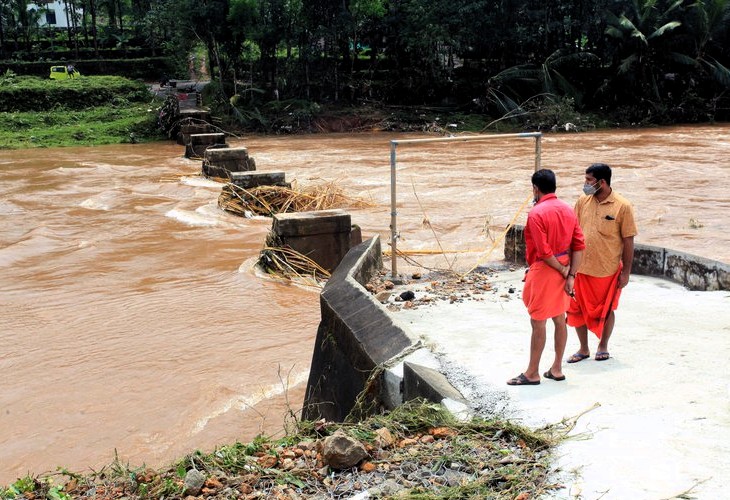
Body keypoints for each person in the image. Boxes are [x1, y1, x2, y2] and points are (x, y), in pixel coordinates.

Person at [507, 169, 585, 386]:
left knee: (538, 321)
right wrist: (571, 275)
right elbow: (579, 246)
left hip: (545, 270)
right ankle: (557, 368)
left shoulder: (536, 213)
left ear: (535, 188)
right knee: (560, 318)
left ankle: (532, 373)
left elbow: (543, 252)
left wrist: (562, 271)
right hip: (566, 268)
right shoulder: (568, 209)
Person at [566, 163, 638, 362]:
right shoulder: (583, 201)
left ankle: (603, 345)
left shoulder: (623, 206)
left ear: (602, 182)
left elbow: (628, 240)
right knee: (575, 309)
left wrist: (626, 272)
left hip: (606, 269)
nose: (585, 184)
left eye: (589, 180)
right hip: (580, 268)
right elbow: (572, 231)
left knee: (606, 310)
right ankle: (583, 349)